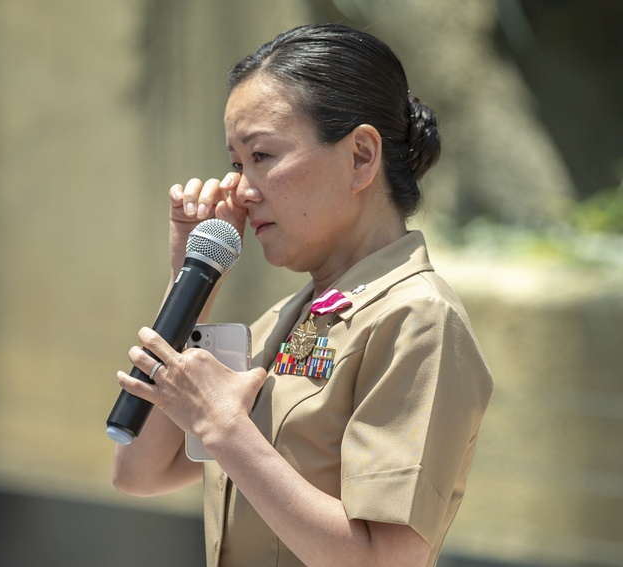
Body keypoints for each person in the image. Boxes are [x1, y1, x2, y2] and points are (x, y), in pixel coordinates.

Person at [112, 23, 493, 567]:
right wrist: (190, 283)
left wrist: (225, 428)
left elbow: (386, 560)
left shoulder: (418, 318)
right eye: (237, 163)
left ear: (361, 156)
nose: (242, 189)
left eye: (263, 156)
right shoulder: (291, 318)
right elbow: (137, 472)